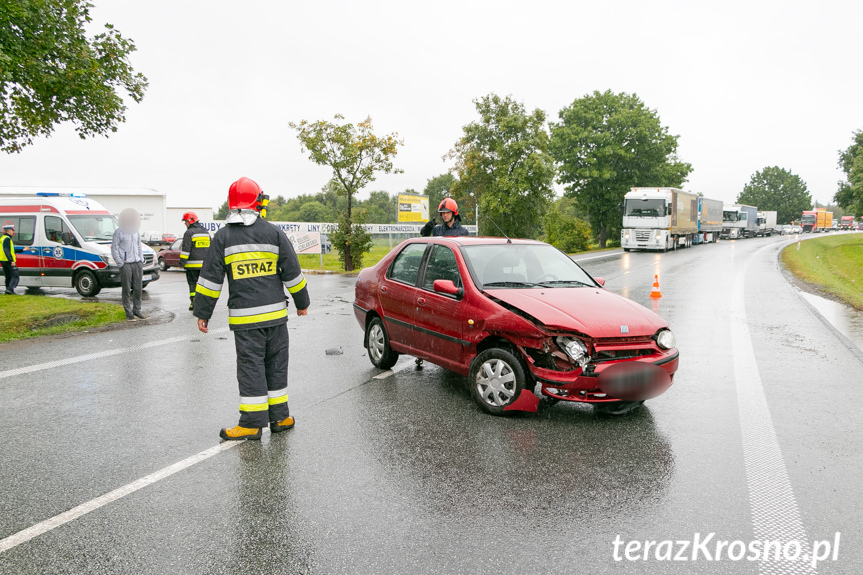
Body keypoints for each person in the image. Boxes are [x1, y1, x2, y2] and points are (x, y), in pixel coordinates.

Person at [194, 177, 310, 441]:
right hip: (277, 319)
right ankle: (280, 417)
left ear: (232, 204)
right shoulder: (274, 232)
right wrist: (302, 303)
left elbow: (210, 279)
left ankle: (251, 424)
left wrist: (203, 313)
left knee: (251, 368)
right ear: (257, 203)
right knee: (276, 366)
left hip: (246, 322)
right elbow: (292, 272)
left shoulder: (223, 237)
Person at [111, 208, 145, 320]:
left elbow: (139, 246)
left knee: (138, 288)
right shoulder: (118, 232)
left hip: (137, 263)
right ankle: (128, 312)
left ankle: (137, 309)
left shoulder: (136, 232)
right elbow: (114, 249)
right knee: (126, 289)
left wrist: (140, 259)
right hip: (126, 264)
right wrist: (121, 263)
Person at [179, 212, 211, 311]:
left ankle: (193, 303)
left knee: (193, 284)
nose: (185, 224)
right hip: (205, 266)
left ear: (190, 221)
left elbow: (186, 250)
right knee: (203, 285)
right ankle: (203, 303)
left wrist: (182, 263)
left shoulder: (189, 233)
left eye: (185, 222)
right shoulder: (206, 233)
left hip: (192, 266)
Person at [1, 223, 19, 295]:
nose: (13, 232)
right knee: (15, 275)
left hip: (3, 260)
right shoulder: (7, 239)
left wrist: (22, 250)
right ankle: (10, 290)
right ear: (8, 231)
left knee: (8, 276)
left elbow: (11, 250)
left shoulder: (2, 238)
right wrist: (11, 260)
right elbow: (6, 250)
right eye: (12, 231)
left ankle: (8, 290)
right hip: (7, 260)